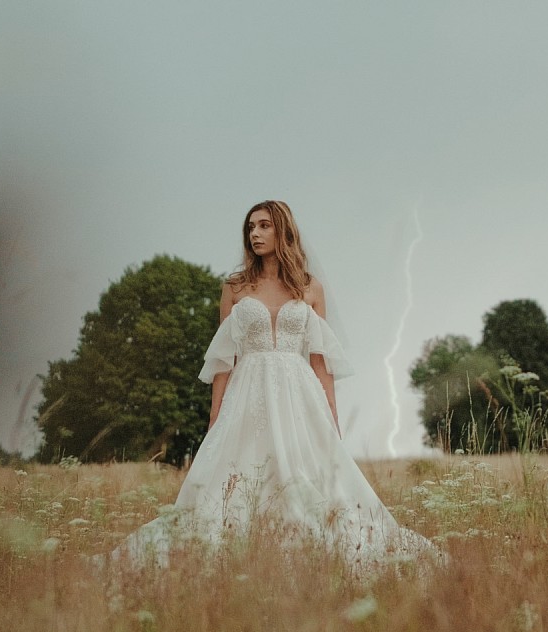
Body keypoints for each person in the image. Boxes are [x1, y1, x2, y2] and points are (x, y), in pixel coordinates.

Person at [111, 200, 438, 572]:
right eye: (251, 227)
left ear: (283, 230)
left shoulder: (309, 288)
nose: (255, 233)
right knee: (241, 471)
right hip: (248, 392)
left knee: (311, 473)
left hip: (299, 395)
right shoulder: (235, 287)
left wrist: (331, 413)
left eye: (264, 225)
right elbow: (225, 359)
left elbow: (320, 359)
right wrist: (215, 414)